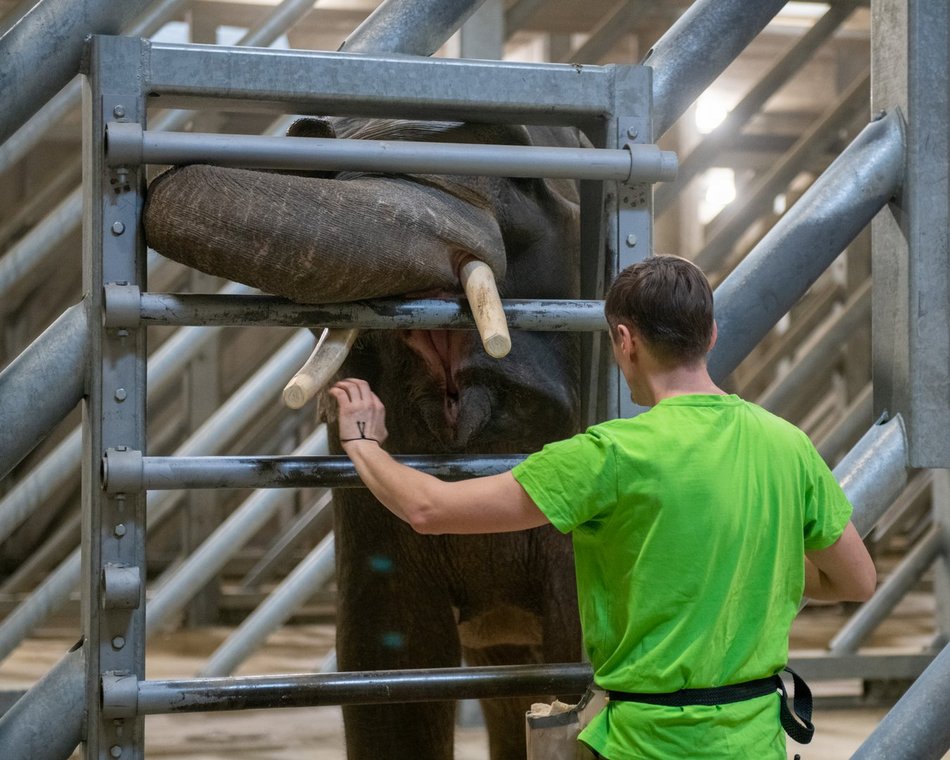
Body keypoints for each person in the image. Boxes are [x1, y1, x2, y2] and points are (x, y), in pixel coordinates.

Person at [328, 254, 877, 759]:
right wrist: (749, 568)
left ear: (623, 340)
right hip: (755, 737)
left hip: (644, 741)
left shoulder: (607, 456)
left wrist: (362, 444)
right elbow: (855, 582)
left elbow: (430, 510)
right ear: (710, 335)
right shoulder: (787, 444)